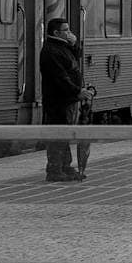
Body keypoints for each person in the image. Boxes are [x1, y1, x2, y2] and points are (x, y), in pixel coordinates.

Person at [38, 17, 87, 182]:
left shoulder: (61, 47)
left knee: (64, 133)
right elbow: (60, 76)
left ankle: (65, 166)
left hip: (66, 99)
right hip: (57, 101)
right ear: (56, 32)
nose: (69, 33)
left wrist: (74, 44)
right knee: (58, 133)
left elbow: (74, 61)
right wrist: (77, 91)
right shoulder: (51, 51)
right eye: (65, 30)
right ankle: (54, 170)